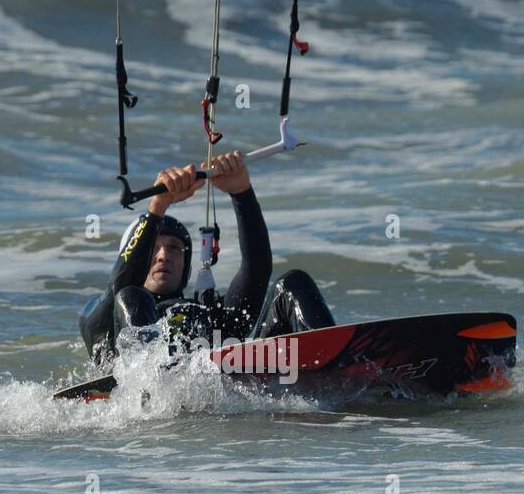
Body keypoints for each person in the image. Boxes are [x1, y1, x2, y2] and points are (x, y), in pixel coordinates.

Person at [79, 150, 335, 364]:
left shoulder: (209, 313)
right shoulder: (101, 321)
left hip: (228, 385)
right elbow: (120, 289)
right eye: (154, 248)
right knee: (131, 297)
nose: (164, 256)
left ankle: (337, 365)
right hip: (150, 407)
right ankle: (155, 385)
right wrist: (157, 208)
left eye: (174, 248)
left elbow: (256, 271)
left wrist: (242, 192)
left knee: (293, 283)